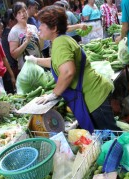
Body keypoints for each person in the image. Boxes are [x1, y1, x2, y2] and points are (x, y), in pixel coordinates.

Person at [26, 5, 121, 133]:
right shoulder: (62, 39)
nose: (39, 27)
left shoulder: (60, 43)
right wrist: (36, 60)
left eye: (42, 24)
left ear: (54, 28)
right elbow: (58, 63)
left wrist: (54, 94)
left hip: (93, 97)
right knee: (106, 136)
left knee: (112, 136)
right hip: (95, 93)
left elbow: (68, 72)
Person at [9, 1, 44, 70]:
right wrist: (26, 42)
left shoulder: (33, 27)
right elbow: (14, 55)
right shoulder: (14, 31)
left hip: (40, 64)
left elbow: (40, 47)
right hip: (27, 69)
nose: (22, 14)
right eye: (19, 13)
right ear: (15, 15)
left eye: (24, 11)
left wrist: (41, 38)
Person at [1, 9, 19, 78]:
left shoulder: (6, 32)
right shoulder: (8, 34)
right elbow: (9, 55)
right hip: (14, 66)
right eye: (16, 20)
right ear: (10, 21)